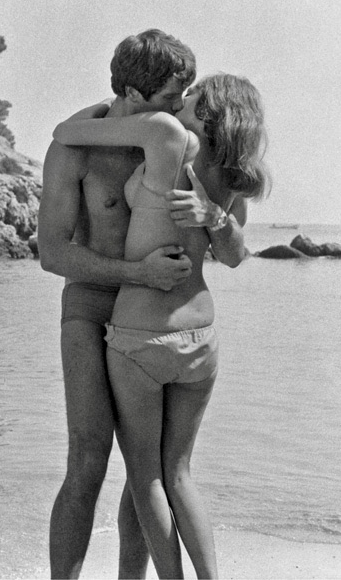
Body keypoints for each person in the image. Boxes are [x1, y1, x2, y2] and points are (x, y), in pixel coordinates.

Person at [52, 72, 271, 578]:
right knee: (180, 474)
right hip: (200, 337)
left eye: (187, 96)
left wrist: (108, 110)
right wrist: (214, 215)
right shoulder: (232, 174)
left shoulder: (164, 136)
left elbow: (66, 132)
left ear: (207, 113)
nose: (178, 102)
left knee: (146, 478)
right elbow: (235, 256)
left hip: (141, 335)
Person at [39, 29, 224, 579]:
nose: (180, 106)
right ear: (133, 93)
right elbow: (52, 253)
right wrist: (136, 273)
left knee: (148, 472)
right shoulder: (75, 148)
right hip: (91, 306)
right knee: (88, 459)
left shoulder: (178, 141)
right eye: (170, 95)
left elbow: (225, 223)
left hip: (151, 320)